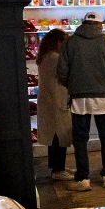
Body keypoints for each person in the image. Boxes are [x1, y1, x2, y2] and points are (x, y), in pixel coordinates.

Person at [57, 12, 105, 191]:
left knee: (80, 138)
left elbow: (61, 72)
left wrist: (72, 85)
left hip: (79, 97)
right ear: (99, 24)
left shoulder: (70, 43)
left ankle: (83, 178)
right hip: (103, 95)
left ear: (84, 23)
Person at [36, 29, 74, 181]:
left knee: (54, 137)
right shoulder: (55, 58)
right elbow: (67, 74)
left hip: (50, 101)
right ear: (58, 43)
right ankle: (58, 169)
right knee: (60, 135)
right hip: (57, 102)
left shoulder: (45, 57)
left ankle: (57, 167)